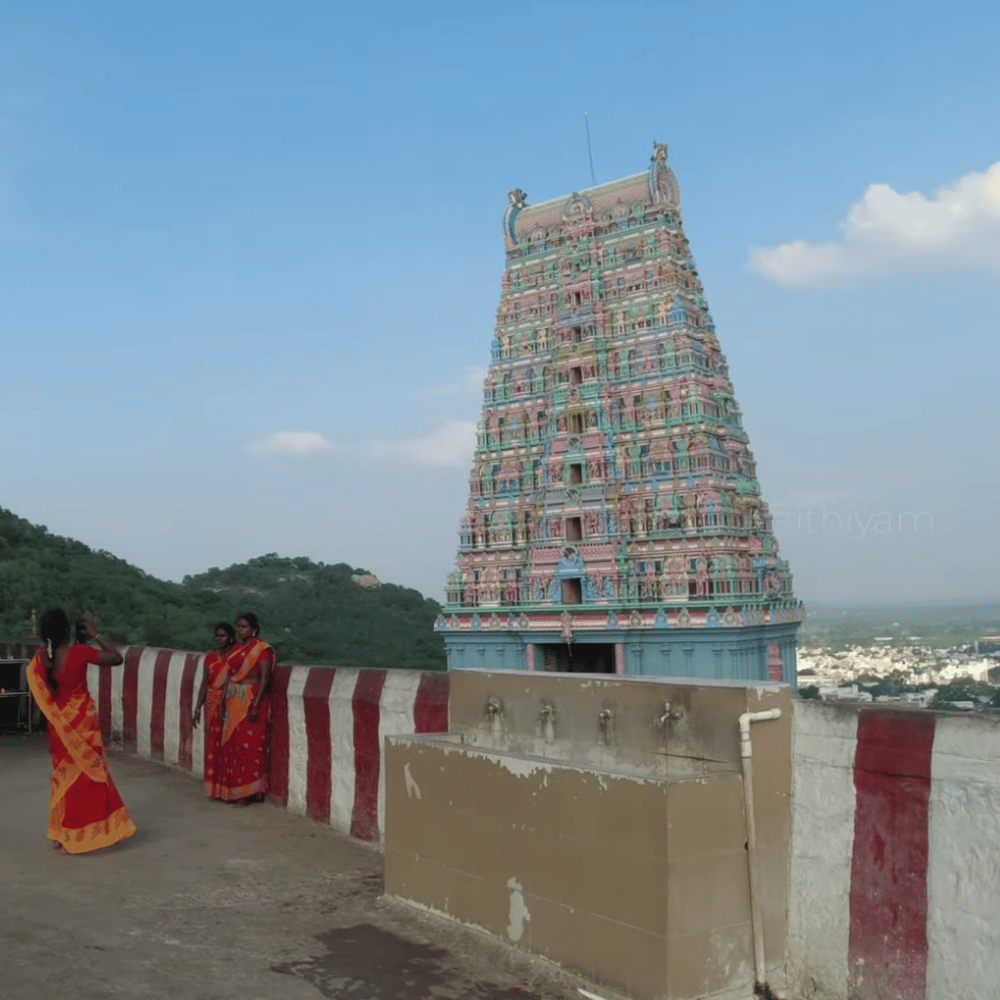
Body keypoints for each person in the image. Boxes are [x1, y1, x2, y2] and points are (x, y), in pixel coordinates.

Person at [26, 609, 137, 854]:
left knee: (63, 778)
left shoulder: (42, 657)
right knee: (88, 778)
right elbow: (116, 657)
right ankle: (82, 833)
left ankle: (62, 833)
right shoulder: (80, 652)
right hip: (83, 726)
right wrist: (96, 635)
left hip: (60, 728)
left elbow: (42, 694)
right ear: (67, 630)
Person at [216, 612, 274, 806]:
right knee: (234, 746)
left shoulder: (262, 649)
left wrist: (256, 704)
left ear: (254, 629)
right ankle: (235, 790)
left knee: (250, 747)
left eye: (244, 627)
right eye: (239, 626)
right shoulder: (237, 650)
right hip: (234, 700)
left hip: (252, 699)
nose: (240, 630)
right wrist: (222, 701)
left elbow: (265, 678)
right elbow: (229, 677)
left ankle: (249, 792)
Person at [191, 622, 236, 800]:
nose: (219, 639)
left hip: (229, 705)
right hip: (211, 705)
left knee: (228, 746)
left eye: (223, 636)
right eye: (217, 635)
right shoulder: (210, 658)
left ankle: (229, 789)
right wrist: (197, 707)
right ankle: (215, 789)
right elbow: (205, 683)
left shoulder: (235, 658)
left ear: (231, 638)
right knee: (212, 746)